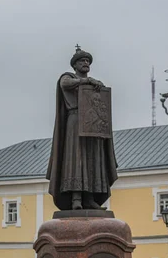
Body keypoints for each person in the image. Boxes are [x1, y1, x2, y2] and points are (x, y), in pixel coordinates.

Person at [47, 46, 117, 211]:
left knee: (93, 161)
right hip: (75, 122)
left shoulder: (95, 85)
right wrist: (86, 81)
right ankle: (76, 199)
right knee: (76, 160)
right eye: (82, 61)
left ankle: (90, 199)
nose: (86, 63)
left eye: (88, 61)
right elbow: (66, 84)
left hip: (93, 125)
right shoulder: (68, 77)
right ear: (75, 65)